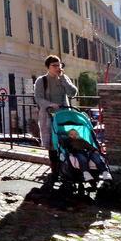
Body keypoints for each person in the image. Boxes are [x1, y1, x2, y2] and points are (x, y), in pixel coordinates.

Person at [34, 55, 79, 185]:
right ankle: (55, 172)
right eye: (54, 65)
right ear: (48, 67)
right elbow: (38, 98)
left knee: (66, 142)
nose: (58, 67)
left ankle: (67, 169)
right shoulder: (41, 81)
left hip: (64, 116)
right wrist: (50, 104)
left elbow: (72, 93)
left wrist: (64, 80)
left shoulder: (64, 78)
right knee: (52, 145)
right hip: (48, 117)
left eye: (59, 65)